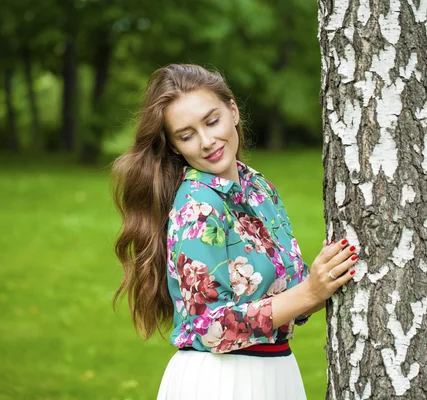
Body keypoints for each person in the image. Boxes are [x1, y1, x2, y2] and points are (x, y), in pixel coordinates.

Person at [111, 64, 358, 400]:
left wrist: (322, 282)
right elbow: (211, 327)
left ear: (233, 111)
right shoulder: (197, 206)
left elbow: (291, 294)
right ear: (174, 146)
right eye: (187, 135)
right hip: (221, 382)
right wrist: (310, 293)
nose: (207, 141)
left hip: (277, 374)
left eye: (212, 121)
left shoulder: (259, 189)